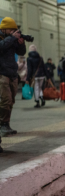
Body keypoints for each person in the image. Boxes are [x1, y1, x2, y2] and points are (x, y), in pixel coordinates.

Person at [0, 17, 26, 152]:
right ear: (4, 29)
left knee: (10, 102)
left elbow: (21, 52)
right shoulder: (3, 38)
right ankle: (3, 124)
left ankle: (5, 124)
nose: (14, 32)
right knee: (5, 101)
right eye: (12, 29)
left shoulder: (11, 38)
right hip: (2, 74)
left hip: (12, 74)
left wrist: (21, 43)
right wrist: (11, 38)